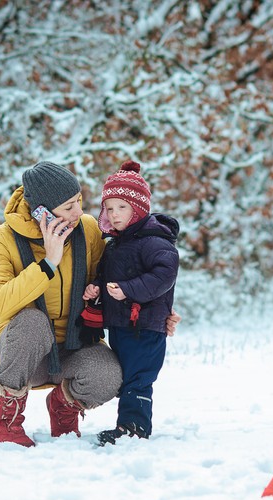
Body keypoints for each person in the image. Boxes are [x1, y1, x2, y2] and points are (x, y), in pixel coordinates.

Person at [0, 161, 178, 447]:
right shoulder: (2, 239)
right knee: (32, 323)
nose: (78, 212)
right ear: (41, 211)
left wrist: (154, 310)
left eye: (79, 201)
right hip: (23, 351)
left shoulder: (87, 229)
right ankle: (5, 424)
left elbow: (114, 281)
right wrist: (48, 263)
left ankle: (63, 407)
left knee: (109, 375)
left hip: (74, 345)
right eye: (68, 207)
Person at [83, 160, 180, 445]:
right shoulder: (117, 244)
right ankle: (127, 424)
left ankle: (134, 427)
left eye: (121, 207)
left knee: (139, 378)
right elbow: (108, 276)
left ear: (138, 208)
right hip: (122, 326)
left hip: (145, 326)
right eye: (109, 208)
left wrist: (128, 290)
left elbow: (164, 274)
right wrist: (96, 287)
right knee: (126, 377)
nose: (114, 215)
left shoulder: (155, 241)